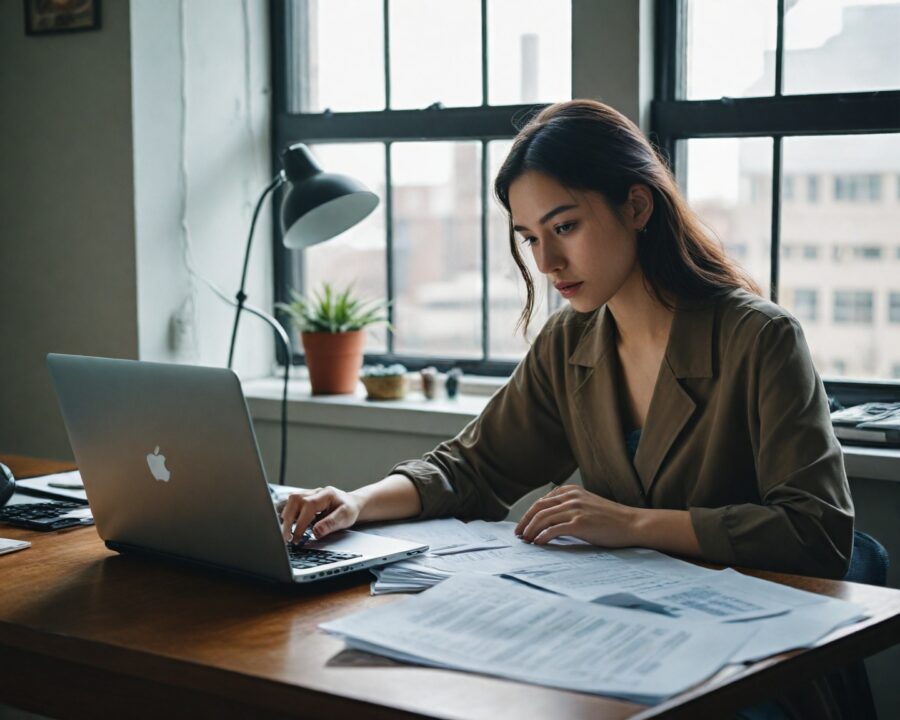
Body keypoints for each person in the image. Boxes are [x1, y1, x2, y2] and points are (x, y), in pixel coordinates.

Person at [279, 99, 853, 584]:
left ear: (636, 206)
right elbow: (471, 470)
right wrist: (356, 503)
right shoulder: (568, 341)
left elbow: (817, 532)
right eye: (531, 238)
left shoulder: (760, 338)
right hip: (620, 627)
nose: (548, 262)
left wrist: (631, 524)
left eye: (565, 227)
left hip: (755, 650)